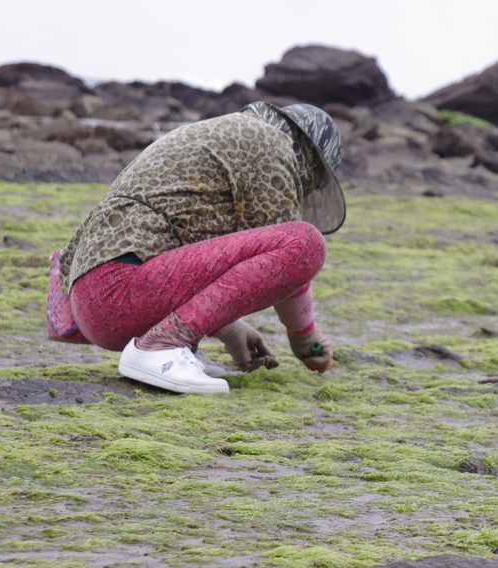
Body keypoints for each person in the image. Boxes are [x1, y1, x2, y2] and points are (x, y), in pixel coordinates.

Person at [54, 102, 345, 394]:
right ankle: (161, 346)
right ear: (311, 159)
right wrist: (304, 336)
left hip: (93, 300)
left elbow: (190, 250)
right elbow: (287, 248)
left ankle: (173, 346)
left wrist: (227, 328)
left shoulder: (228, 134)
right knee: (306, 243)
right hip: (118, 288)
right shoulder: (269, 142)